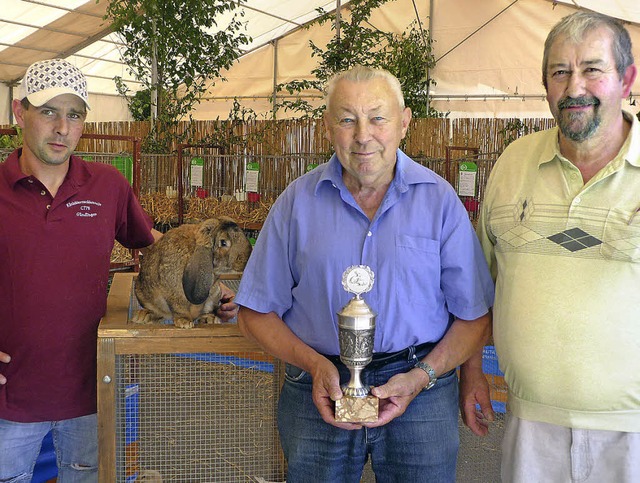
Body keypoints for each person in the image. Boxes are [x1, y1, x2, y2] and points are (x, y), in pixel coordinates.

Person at [235, 65, 494, 482]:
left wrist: (422, 375)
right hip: (317, 387)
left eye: (377, 117)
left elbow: (475, 316)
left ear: (404, 122)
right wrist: (314, 365)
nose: (362, 135)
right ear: (326, 126)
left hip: (421, 390)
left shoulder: (440, 202)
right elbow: (254, 313)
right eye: (346, 119)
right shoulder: (296, 203)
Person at [0, 58, 238, 481]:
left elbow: (161, 248)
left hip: (92, 386)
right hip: (9, 394)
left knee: (87, 475)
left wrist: (211, 292)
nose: (61, 128)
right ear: (20, 112)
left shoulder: (107, 186)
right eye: (49, 111)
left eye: (74, 114)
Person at [460, 11, 640, 482]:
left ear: (628, 78)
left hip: (633, 431)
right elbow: (481, 282)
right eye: (560, 72)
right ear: (545, 85)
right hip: (530, 425)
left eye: (592, 69)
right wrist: (471, 372)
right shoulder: (513, 164)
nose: (574, 86)